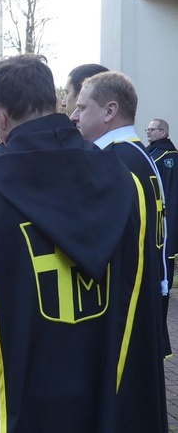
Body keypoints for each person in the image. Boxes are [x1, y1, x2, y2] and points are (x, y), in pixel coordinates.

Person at [0, 55, 166, 433]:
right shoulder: (126, 186)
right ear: (57, 104)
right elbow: (142, 317)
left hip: (22, 405)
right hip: (107, 398)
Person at [72, 71, 171, 358]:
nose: (75, 117)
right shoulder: (138, 155)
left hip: (117, 308)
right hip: (141, 296)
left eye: (82, 107)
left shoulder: (109, 162)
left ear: (110, 111)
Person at [146, 118, 178, 348]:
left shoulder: (170, 159)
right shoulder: (147, 154)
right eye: (147, 129)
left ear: (163, 132)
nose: (148, 132)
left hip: (164, 231)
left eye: (152, 129)